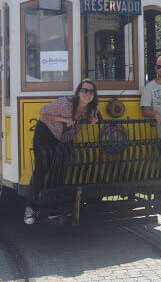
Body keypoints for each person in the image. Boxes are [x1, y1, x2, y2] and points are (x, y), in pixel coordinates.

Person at [24, 79, 99, 225]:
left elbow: (96, 116)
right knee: (41, 170)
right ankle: (30, 208)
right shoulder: (65, 104)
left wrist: (95, 119)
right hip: (46, 134)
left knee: (61, 170)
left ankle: (54, 206)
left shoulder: (91, 109)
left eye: (91, 91)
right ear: (78, 92)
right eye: (84, 90)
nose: (87, 94)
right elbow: (42, 112)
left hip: (65, 139)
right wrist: (64, 119)